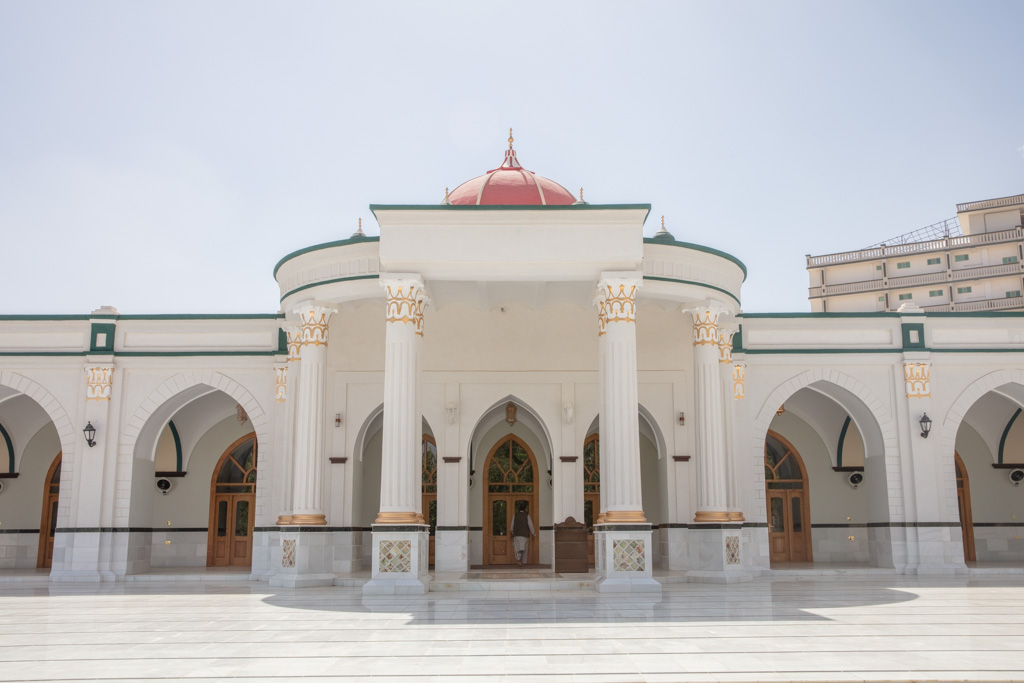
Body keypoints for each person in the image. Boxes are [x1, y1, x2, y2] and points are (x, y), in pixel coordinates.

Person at [509, 502, 535, 566]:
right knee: (524, 549)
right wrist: (533, 534)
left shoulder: (515, 515)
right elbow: (531, 526)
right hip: (525, 536)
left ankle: (518, 559)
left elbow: (512, 526)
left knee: (517, 549)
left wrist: (512, 532)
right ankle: (523, 562)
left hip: (517, 535)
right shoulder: (527, 516)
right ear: (525, 508)